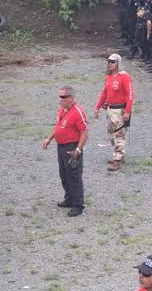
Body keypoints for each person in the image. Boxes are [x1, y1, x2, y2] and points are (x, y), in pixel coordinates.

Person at [42, 85, 88, 217]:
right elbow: (58, 127)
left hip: (71, 148)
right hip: (61, 146)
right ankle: (69, 199)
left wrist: (78, 150)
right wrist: (49, 138)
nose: (60, 99)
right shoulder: (62, 109)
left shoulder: (78, 112)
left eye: (63, 97)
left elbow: (85, 133)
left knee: (74, 176)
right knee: (64, 174)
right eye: (59, 97)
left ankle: (78, 205)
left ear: (71, 97)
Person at [93, 53, 134, 172]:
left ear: (118, 63)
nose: (110, 64)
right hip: (110, 110)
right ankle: (120, 155)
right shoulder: (109, 77)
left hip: (120, 110)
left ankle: (117, 160)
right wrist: (97, 107)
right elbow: (104, 93)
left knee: (119, 135)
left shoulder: (125, 77)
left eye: (112, 61)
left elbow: (130, 95)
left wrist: (127, 111)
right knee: (111, 135)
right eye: (109, 61)